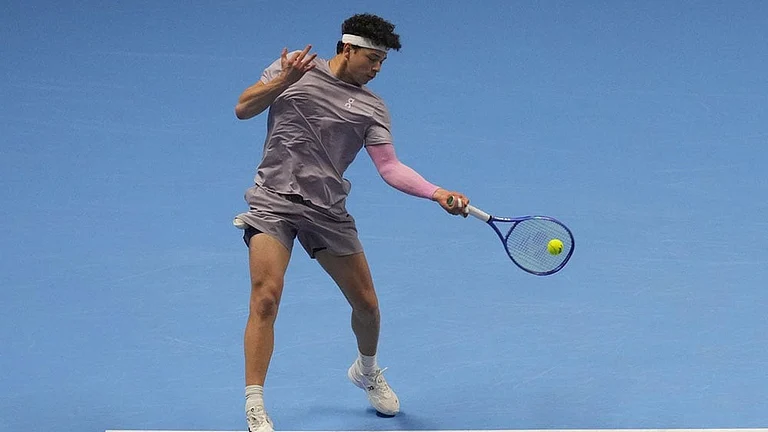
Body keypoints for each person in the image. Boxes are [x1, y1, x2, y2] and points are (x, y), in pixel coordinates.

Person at [232, 13, 470, 432]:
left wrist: (436, 192)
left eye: (383, 62)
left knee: (367, 306)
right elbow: (243, 108)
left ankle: (366, 369)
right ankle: (255, 403)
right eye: (372, 58)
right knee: (265, 297)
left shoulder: (372, 108)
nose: (377, 69)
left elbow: (390, 167)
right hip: (273, 201)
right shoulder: (294, 68)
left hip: (327, 211)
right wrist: (282, 81)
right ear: (347, 48)